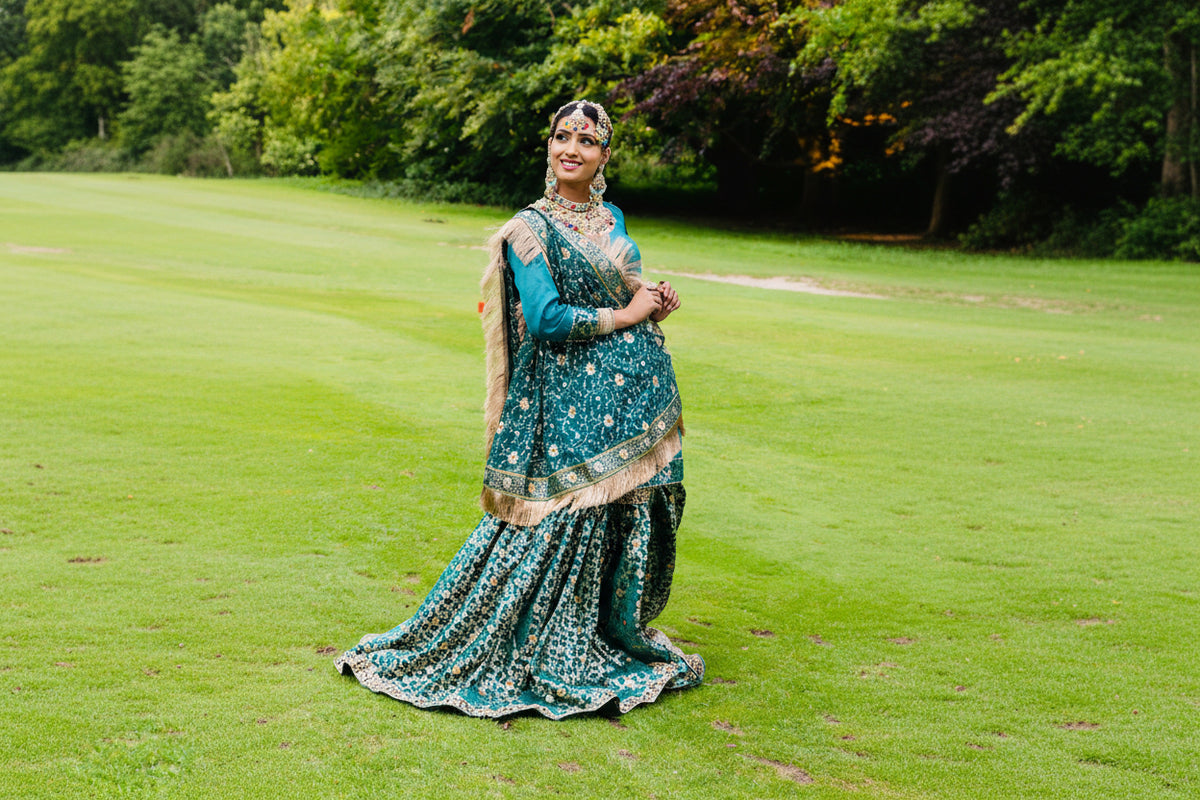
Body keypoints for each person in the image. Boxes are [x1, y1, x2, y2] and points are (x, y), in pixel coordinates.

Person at [335, 100, 703, 719]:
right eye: (563, 137)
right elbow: (547, 319)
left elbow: (621, 285)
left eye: (587, 141)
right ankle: (536, 642)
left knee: (629, 516)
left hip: (636, 397)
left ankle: (601, 631)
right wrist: (626, 315)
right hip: (571, 405)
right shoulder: (527, 230)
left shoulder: (609, 215)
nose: (572, 149)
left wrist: (652, 298)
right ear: (549, 147)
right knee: (561, 518)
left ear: (604, 157)